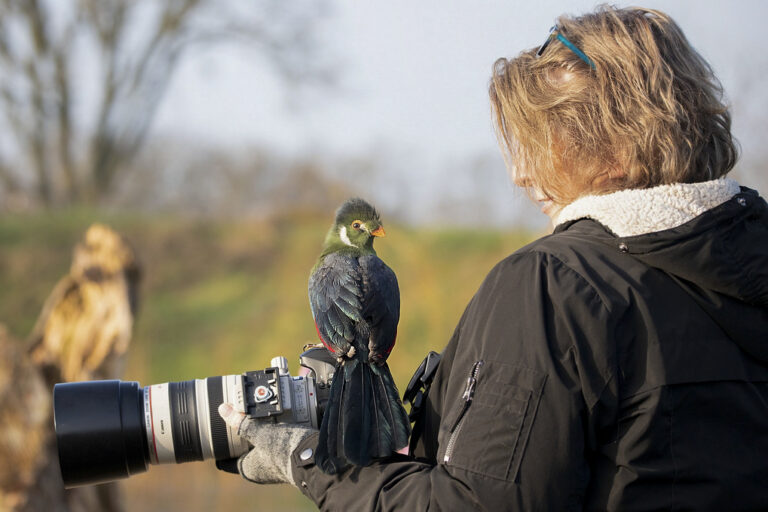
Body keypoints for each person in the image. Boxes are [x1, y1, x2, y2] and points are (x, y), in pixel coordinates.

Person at [218, 5, 768, 510]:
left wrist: (313, 462)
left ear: (615, 148)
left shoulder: (555, 287)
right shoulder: (751, 266)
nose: (521, 174)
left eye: (542, 141)